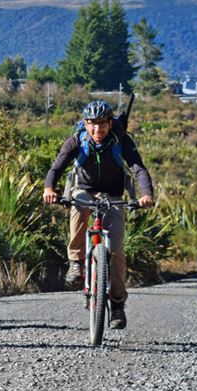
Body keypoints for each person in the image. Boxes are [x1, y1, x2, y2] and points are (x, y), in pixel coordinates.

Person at [43, 99, 155, 329]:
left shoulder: (121, 140)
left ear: (111, 123)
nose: (97, 129)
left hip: (113, 196)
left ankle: (116, 304)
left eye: (102, 124)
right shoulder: (77, 140)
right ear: (85, 124)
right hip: (84, 191)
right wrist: (49, 189)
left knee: (115, 249)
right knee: (79, 206)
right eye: (92, 124)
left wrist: (146, 194)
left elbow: (138, 168)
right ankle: (76, 262)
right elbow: (57, 166)